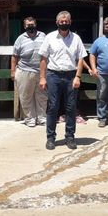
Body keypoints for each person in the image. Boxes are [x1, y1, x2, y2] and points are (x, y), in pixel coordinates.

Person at [38, 11, 87, 150]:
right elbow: (43, 58)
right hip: (53, 75)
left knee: (71, 108)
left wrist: (78, 76)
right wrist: (42, 77)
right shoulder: (49, 37)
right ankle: (50, 138)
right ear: (57, 22)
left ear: (70, 22)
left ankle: (70, 137)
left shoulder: (76, 38)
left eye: (66, 21)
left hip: (71, 75)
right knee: (53, 106)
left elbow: (81, 59)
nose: (64, 23)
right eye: (61, 21)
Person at [11, 17, 47, 127]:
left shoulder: (43, 36)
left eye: (32, 24)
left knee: (42, 96)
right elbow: (14, 56)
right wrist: (13, 71)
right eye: (28, 25)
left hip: (41, 72)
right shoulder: (20, 38)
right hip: (24, 71)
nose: (30, 26)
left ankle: (42, 117)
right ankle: (30, 118)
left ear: (36, 24)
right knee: (26, 96)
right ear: (24, 26)